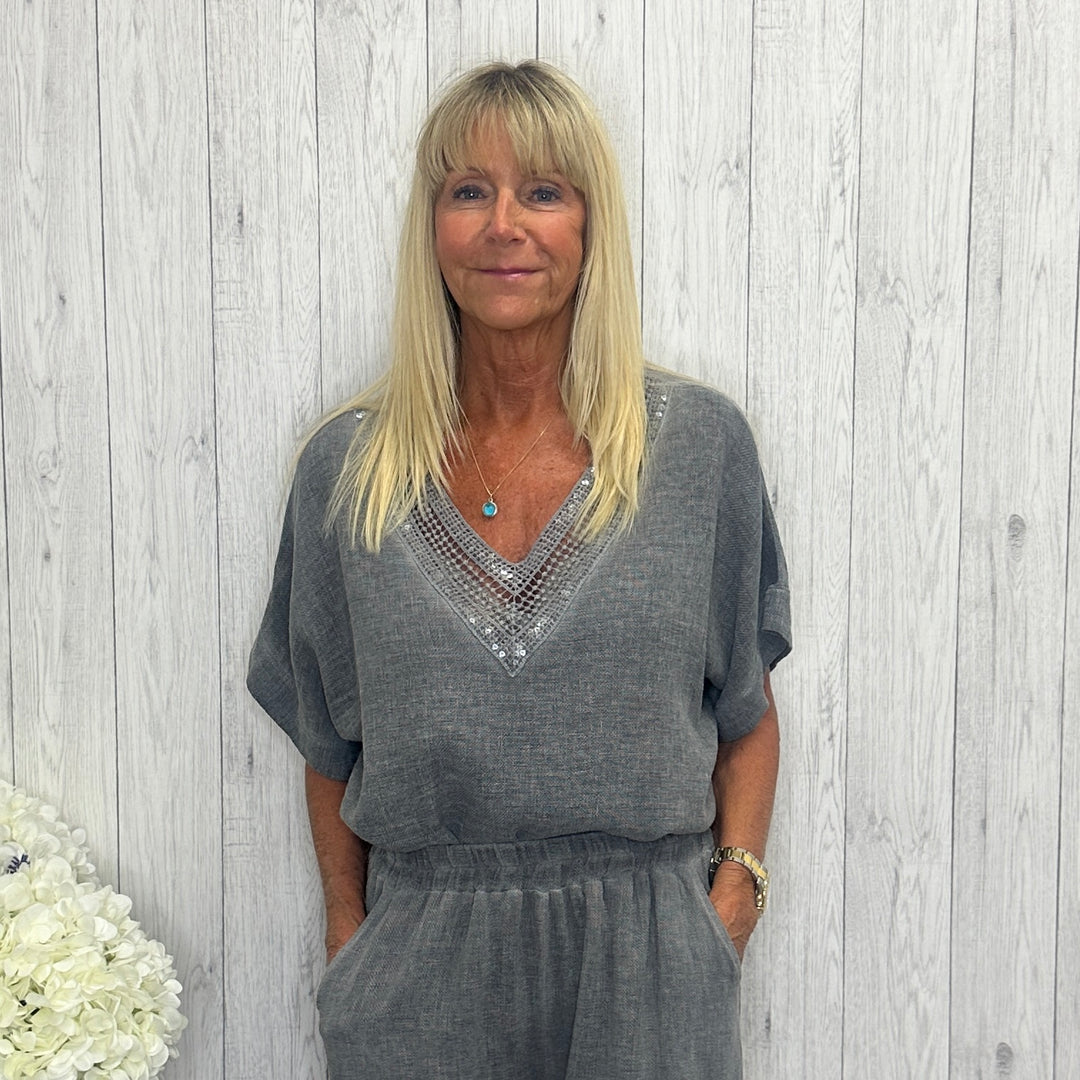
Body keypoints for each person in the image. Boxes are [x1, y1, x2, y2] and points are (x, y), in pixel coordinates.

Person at [248, 60, 790, 1080]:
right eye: (469, 191)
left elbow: (746, 709)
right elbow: (327, 737)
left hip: (647, 970)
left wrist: (735, 897)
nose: (505, 225)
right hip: (422, 973)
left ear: (590, 225)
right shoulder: (350, 474)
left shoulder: (697, 451)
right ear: (432, 228)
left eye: (542, 191)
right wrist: (349, 937)